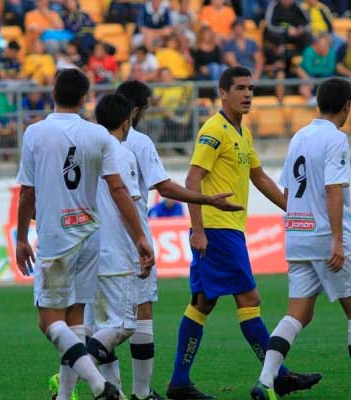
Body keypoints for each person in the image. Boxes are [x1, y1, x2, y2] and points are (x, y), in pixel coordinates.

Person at [166, 66, 322, 400]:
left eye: (251, 88)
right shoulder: (214, 129)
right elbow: (192, 181)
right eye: (240, 88)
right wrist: (198, 230)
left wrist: (294, 209)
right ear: (223, 93)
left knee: (202, 303)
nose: (248, 94)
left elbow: (260, 177)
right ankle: (277, 375)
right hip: (217, 227)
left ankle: (179, 382)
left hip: (228, 229)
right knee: (249, 299)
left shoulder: (242, 132)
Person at [250, 77, 351, 400]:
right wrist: (336, 240)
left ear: (319, 103)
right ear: (347, 106)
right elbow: (334, 189)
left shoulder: (299, 136)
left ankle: (265, 382)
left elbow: (290, 191)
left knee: (298, 313)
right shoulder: (336, 139)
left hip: (297, 235)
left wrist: (296, 222)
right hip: (325, 236)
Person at [15, 68, 154, 400]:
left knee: (49, 321)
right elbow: (119, 190)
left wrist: (21, 238)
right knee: (76, 321)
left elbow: (27, 193)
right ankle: (66, 396)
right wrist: (140, 238)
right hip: (90, 238)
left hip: (56, 237)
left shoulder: (35, 133)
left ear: (53, 94)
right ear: (83, 98)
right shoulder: (99, 136)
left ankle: (99, 385)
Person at [114, 79, 245, 400]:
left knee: (94, 317)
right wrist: (207, 201)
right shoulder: (139, 142)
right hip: (131, 240)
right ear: (135, 110)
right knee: (140, 314)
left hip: (95, 239)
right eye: (146, 107)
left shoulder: (92, 139)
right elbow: (166, 187)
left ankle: (100, 388)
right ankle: (141, 393)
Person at [51, 92, 143, 400]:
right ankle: (82, 368)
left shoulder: (83, 150)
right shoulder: (121, 152)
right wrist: (142, 242)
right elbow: (128, 201)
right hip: (115, 253)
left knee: (84, 329)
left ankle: (67, 395)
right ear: (126, 122)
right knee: (124, 326)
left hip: (84, 250)